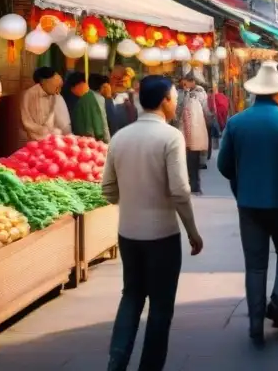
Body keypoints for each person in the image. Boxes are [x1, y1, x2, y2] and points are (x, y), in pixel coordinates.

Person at [102, 75, 203, 371]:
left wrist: (132, 201)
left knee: (131, 295)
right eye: (173, 98)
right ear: (164, 102)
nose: (174, 103)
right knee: (160, 306)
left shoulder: (120, 137)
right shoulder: (170, 137)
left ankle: (116, 362)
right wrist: (192, 231)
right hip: (162, 236)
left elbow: (108, 190)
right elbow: (180, 191)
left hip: (128, 234)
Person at [217, 62, 278, 345]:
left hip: (248, 203)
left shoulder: (236, 122)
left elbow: (224, 165)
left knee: (255, 265)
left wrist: (241, 182)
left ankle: (255, 323)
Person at [20, 67, 71, 142]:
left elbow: (61, 122)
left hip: (51, 137)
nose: (58, 92)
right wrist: (42, 131)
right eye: (56, 88)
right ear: (43, 82)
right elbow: (26, 121)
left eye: (60, 88)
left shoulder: (56, 97)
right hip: (33, 138)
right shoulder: (29, 95)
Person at [72, 74, 109, 143]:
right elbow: (103, 122)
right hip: (94, 139)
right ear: (101, 87)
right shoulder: (100, 99)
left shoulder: (83, 98)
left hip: (81, 139)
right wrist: (108, 141)